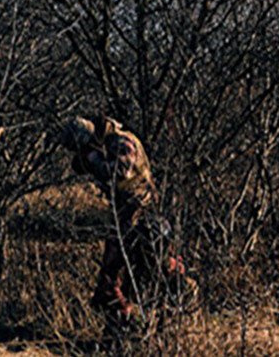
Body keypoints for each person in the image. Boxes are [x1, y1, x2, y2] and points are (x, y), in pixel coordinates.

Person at [59, 115, 191, 328]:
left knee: (121, 274)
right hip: (128, 214)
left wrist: (93, 159)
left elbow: (122, 170)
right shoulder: (108, 142)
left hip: (139, 215)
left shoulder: (121, 141)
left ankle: (138, 321)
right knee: (135, 272)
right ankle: (127, 326)